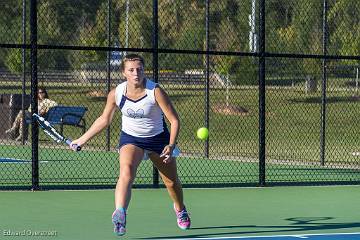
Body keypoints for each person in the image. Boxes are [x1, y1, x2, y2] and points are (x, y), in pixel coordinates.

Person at [70, 54, 191, 236]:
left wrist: (172, 144)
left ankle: (180, 209)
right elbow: (104, 119)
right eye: (131, 70)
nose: (136, 73)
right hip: (131, 139)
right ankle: (120, 213)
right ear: (124, 73)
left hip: (159, 139)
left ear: (144, 70)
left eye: (139, 69)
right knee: (126, 171)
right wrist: (82, 139)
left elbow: (174, 120)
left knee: (171, 182)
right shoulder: (116, 93)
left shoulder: (155, 91)